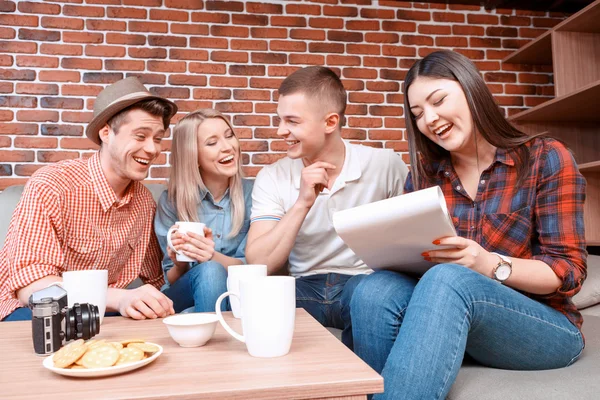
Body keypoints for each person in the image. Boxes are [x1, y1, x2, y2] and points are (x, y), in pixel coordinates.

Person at [350, 50, 587, 399]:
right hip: (460, 319)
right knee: (374, 288)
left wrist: (487, 264)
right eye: (418, 114)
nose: (430, 118)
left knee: (452, 278)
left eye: (438, 100)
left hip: (545, 325)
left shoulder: (545, 157)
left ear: (471, 88)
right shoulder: (424, 177)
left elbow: (567, 272)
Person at [246, 66, 409, 349]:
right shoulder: (272, 176)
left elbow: (411, 242)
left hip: (363, 285)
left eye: (292, 121)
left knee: (374, 296)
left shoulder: (385, 165)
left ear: (330, 122)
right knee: (258, 300)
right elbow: (259, 263)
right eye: (280, 120)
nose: (280, 130)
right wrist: (302, 202)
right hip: (302, 287)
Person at [0, 77, 178, 322]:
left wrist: (178, 259)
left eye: (157, 138)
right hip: (34, 313)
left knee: (204, 277)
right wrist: (119, 298)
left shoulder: (144, 202)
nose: (152, 149)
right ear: (106, 132)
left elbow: (156, 281)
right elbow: (32, 288)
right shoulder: (52, 185)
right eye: (140, 136)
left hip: (103, 314)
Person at [155, 109, 253, 313]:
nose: (228, 147)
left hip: (239, 294)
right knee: (209, 272)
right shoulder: (171, 201)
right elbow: (170, 278)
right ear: (193, 156)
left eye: (229, 136)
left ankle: (202, 327)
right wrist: (179, 263)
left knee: (210, 272)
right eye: (212, 143)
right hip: (183, 293)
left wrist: (211, 256)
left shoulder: (253, 195)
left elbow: (251, 270)